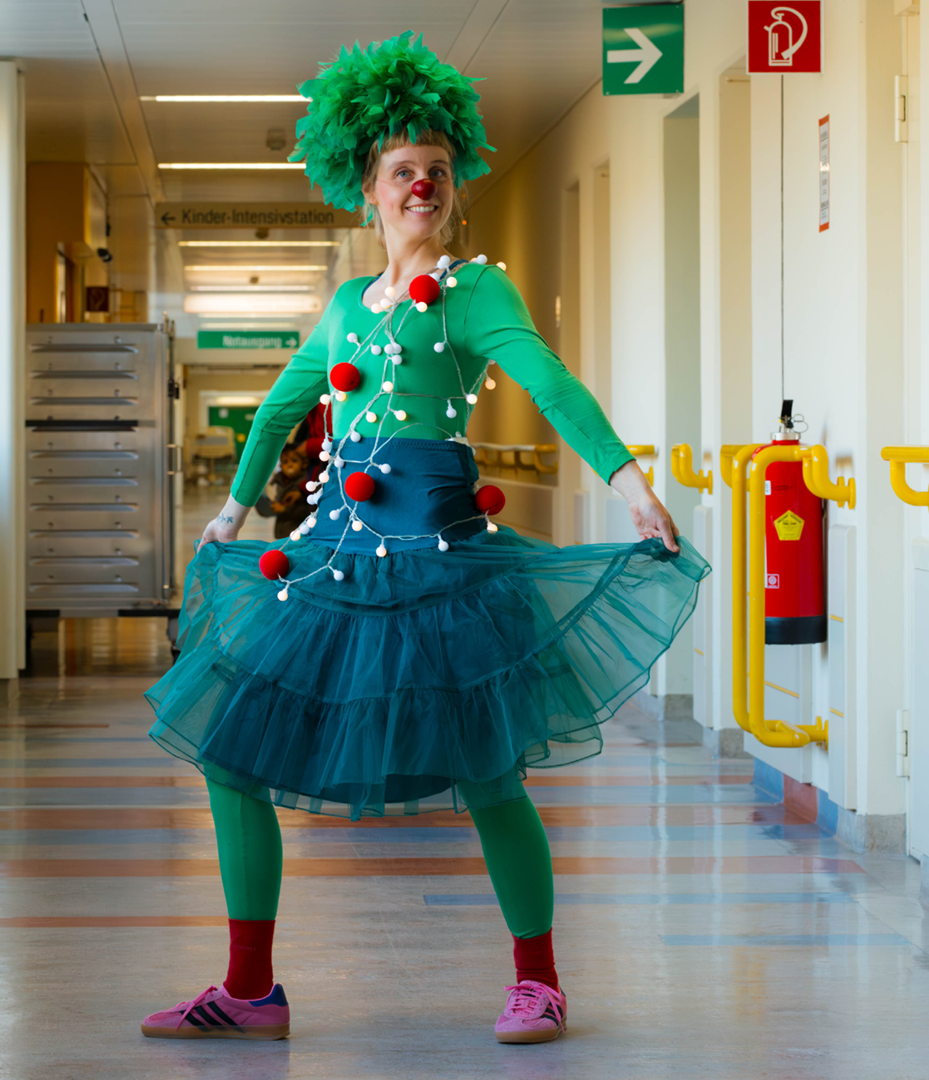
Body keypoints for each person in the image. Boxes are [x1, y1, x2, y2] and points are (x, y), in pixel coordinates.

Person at [141, 31, 708, 1046]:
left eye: (438, 171)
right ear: (367, 189)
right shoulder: (344, 308)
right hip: (333, 564)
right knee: (230, 753)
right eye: (403, 170)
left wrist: (628, 481)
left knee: (489, 772)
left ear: (453, 189)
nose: (422, 185)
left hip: (442, 566)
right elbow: (278, 411)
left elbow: (550, 383)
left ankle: (539, 981)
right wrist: (230, 513)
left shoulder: (475, 291)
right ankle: (250, 989)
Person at [254, 444, 311, 539]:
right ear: (281, 466)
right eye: (285, 462)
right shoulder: (280, 482)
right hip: (283, 533)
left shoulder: (305, 484)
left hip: (299, 534)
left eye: (294, 460)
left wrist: (285, 509)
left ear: (304, 463)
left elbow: (307, 510)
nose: (290, 465)